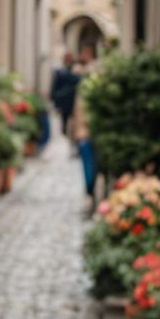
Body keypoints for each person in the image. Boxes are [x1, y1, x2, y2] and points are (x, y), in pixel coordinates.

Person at [72, 45, 98, 203]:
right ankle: (90, 191)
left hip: (91, 131)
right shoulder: (81, 78)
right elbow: (78, 111)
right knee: (88, 165)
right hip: (84, 133)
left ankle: (91, 191)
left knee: (90, 165)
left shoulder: (90, 78)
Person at [49, 50, 78, 138]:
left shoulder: (74, 70)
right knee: (64, 120)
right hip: (64, 99)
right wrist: (54, 97)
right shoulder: (60, 71)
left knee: (72, 120)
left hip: (71, 99)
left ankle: (70, 134)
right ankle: (66, 134)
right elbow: (55, 85)